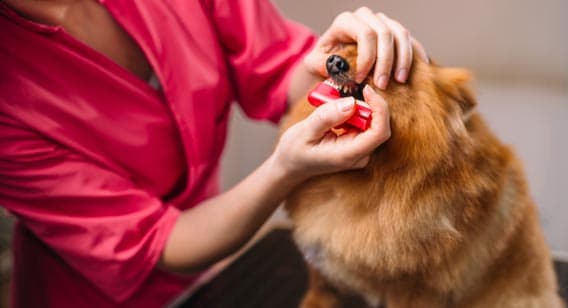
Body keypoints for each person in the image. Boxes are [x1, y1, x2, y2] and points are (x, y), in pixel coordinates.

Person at [0, 0, 427, 306]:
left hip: (208, 272)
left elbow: (279, 71)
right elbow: (159, 245)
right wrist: (283, 171)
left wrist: (342, 58)